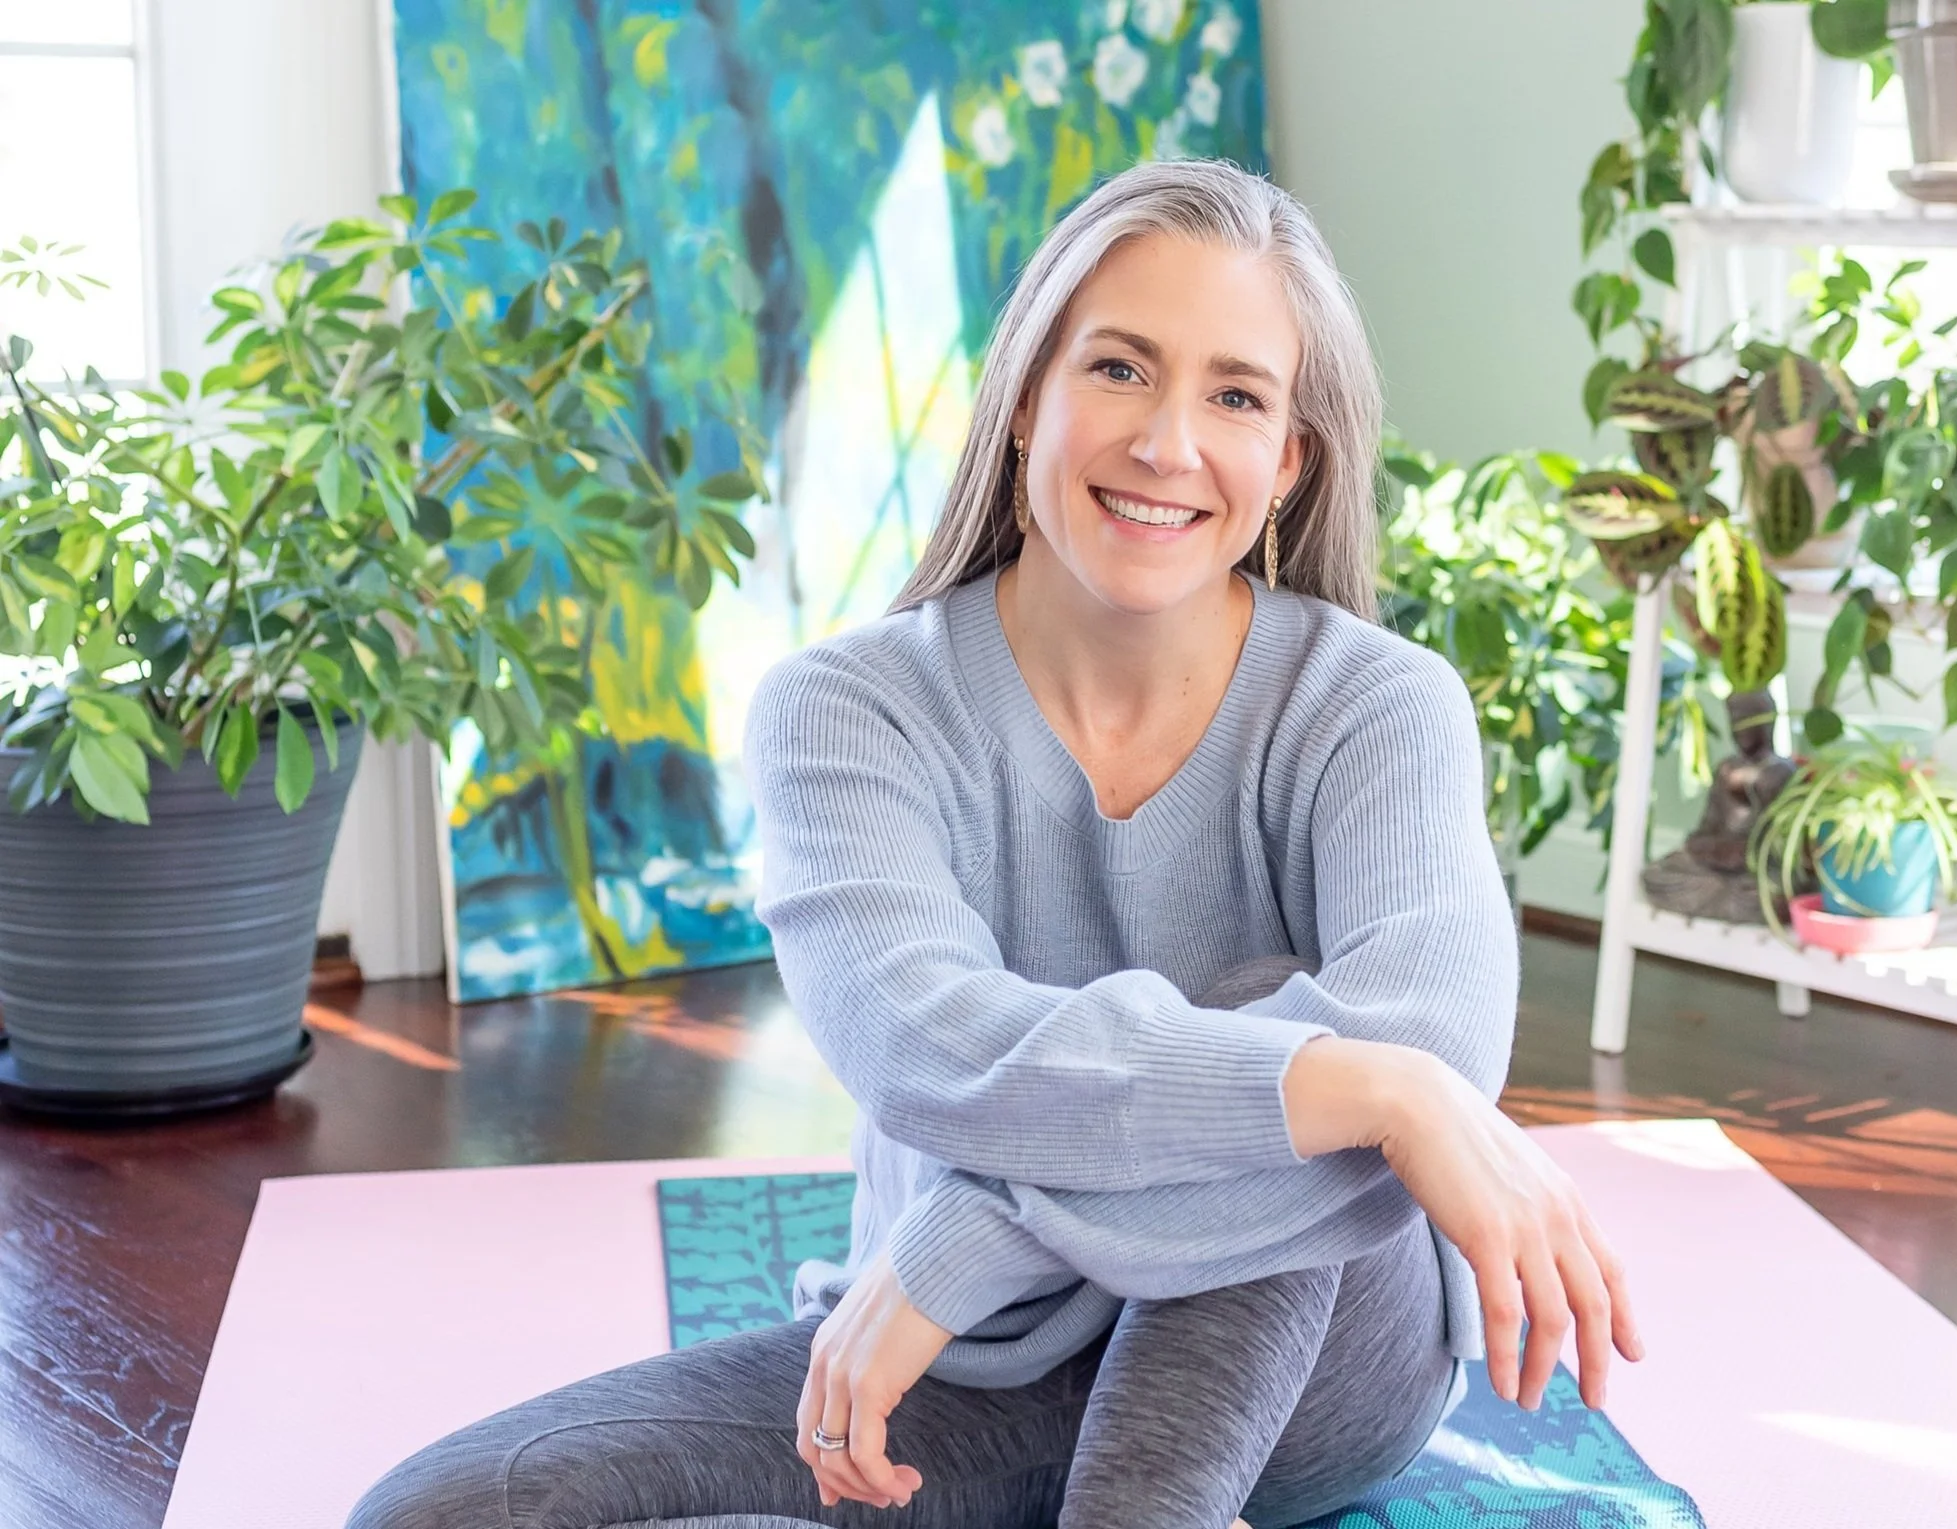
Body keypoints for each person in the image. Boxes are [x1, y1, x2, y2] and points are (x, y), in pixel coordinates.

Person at [347, 157, 1640, 1529]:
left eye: (1236, 396)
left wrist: (985, 1224)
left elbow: (1430, 1031)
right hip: (971, 1356)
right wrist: (1377, 1088)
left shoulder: (1379, 705)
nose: (1166, 443)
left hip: (1309, 1362)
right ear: (1026, 395)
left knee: (1309, 1053)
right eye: (1121, 369)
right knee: (442, 1512)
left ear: (1289, 463)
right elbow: (930, 1048)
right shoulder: (844, 710)